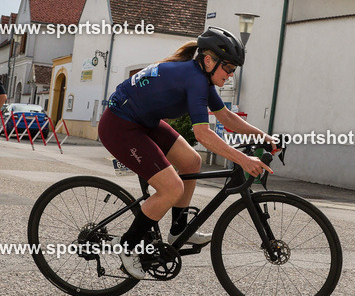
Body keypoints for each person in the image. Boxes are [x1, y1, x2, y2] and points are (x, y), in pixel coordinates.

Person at [99, 27, 274, 279]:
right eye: (228, 68)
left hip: (144, 122)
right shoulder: (194, 79)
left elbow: (226, 117)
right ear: (209, 60)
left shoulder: (201, 77)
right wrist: (243, 160)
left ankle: (178, 230)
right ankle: (127, 246)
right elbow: (203, 135)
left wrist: (265, 138)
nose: (230, 76)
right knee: (171, 188)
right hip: (120, 125)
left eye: (233, 70)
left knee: (192, 161)